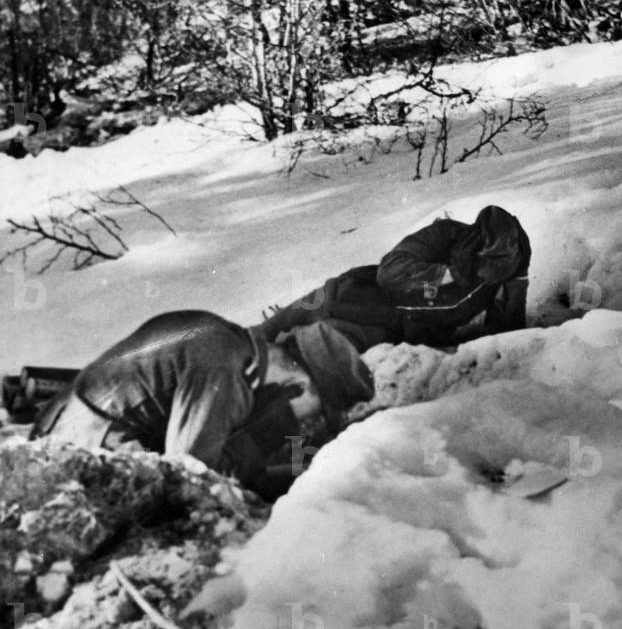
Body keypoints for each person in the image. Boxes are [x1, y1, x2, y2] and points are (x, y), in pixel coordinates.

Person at [34, 310, 374, 500]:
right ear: (299, 388)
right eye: (314, 413)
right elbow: (190, 477)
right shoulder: (226, 373)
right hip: (77, 455)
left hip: (66, 429)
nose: (304, 424)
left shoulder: (225, 340)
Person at [256, 205, 530, 351]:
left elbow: (509, 323)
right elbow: (389, 271)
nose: (493, 275)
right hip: (351, 292)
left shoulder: (515, 263)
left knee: (306, 355)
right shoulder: (445, 234)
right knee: (258, 338)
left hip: (387, 328)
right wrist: (444, 274)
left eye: (503, 266)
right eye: (489, 264)